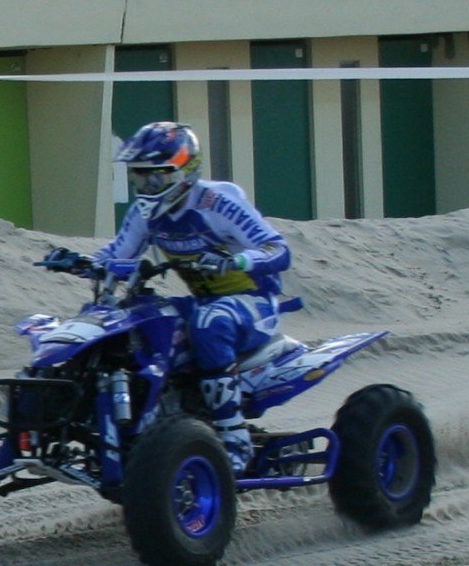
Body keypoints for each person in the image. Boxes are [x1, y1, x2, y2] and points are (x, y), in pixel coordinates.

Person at [52, 122, 292, 474]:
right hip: (203, 302)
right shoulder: (145, 213)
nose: (145, 186)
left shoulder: (218, 202)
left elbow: (278, 249)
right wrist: (83, 263)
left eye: (154, 177)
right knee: (137, 320)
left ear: (183, 170)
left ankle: (234, 438)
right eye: (139, 177)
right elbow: (119, 256)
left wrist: (236, 260)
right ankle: (130, 419)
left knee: (209, 321)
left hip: (253, 303)